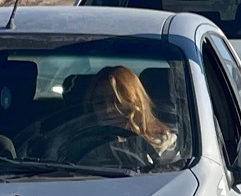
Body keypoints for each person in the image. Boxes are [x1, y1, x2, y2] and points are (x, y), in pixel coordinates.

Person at [41, 66, 180, 173]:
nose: (108, 110)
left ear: (135, 104)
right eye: (100, 103)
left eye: (117, 102)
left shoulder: (165, 144)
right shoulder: (67, 142)